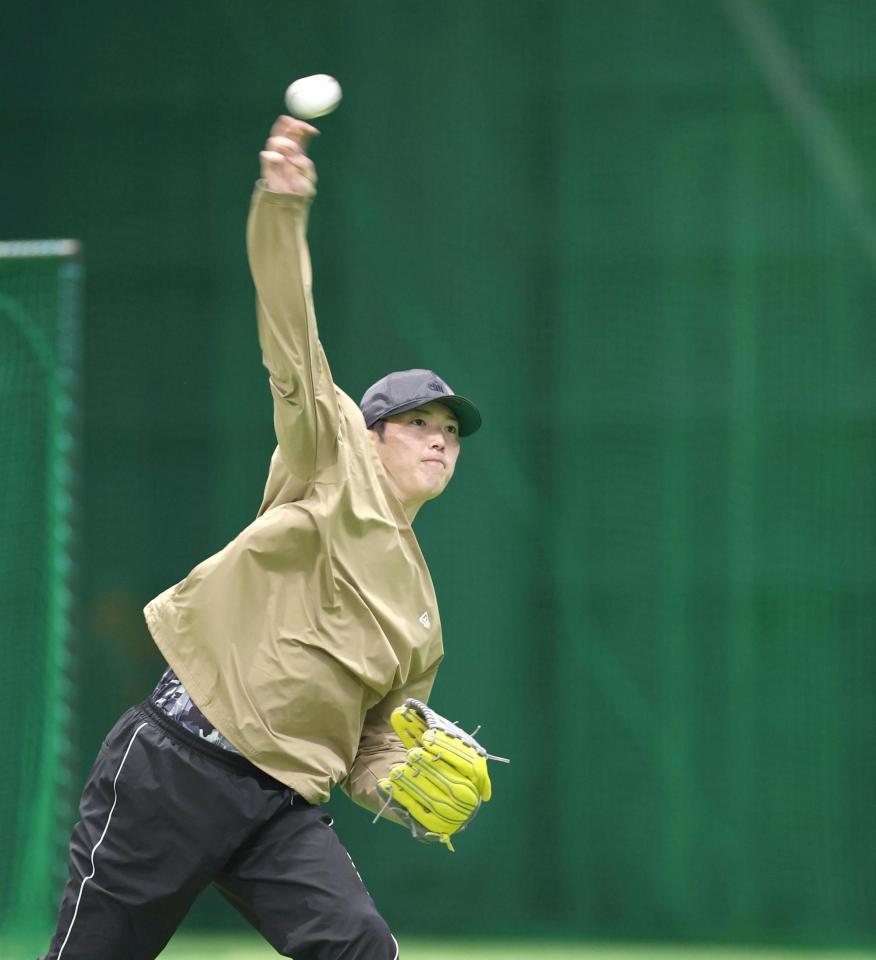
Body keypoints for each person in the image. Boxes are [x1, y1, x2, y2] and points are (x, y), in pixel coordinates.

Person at [42, 116, 489, 960]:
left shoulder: (422, 610)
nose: (439, 439)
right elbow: (291, 333)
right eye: (418, 423)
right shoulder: (327, 458)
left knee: (362, 949)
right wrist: (282, 211)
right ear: (370, 432)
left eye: (452, 432)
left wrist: (399, 786)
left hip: (280, 805)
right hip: (174, 763)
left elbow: (380, 739)